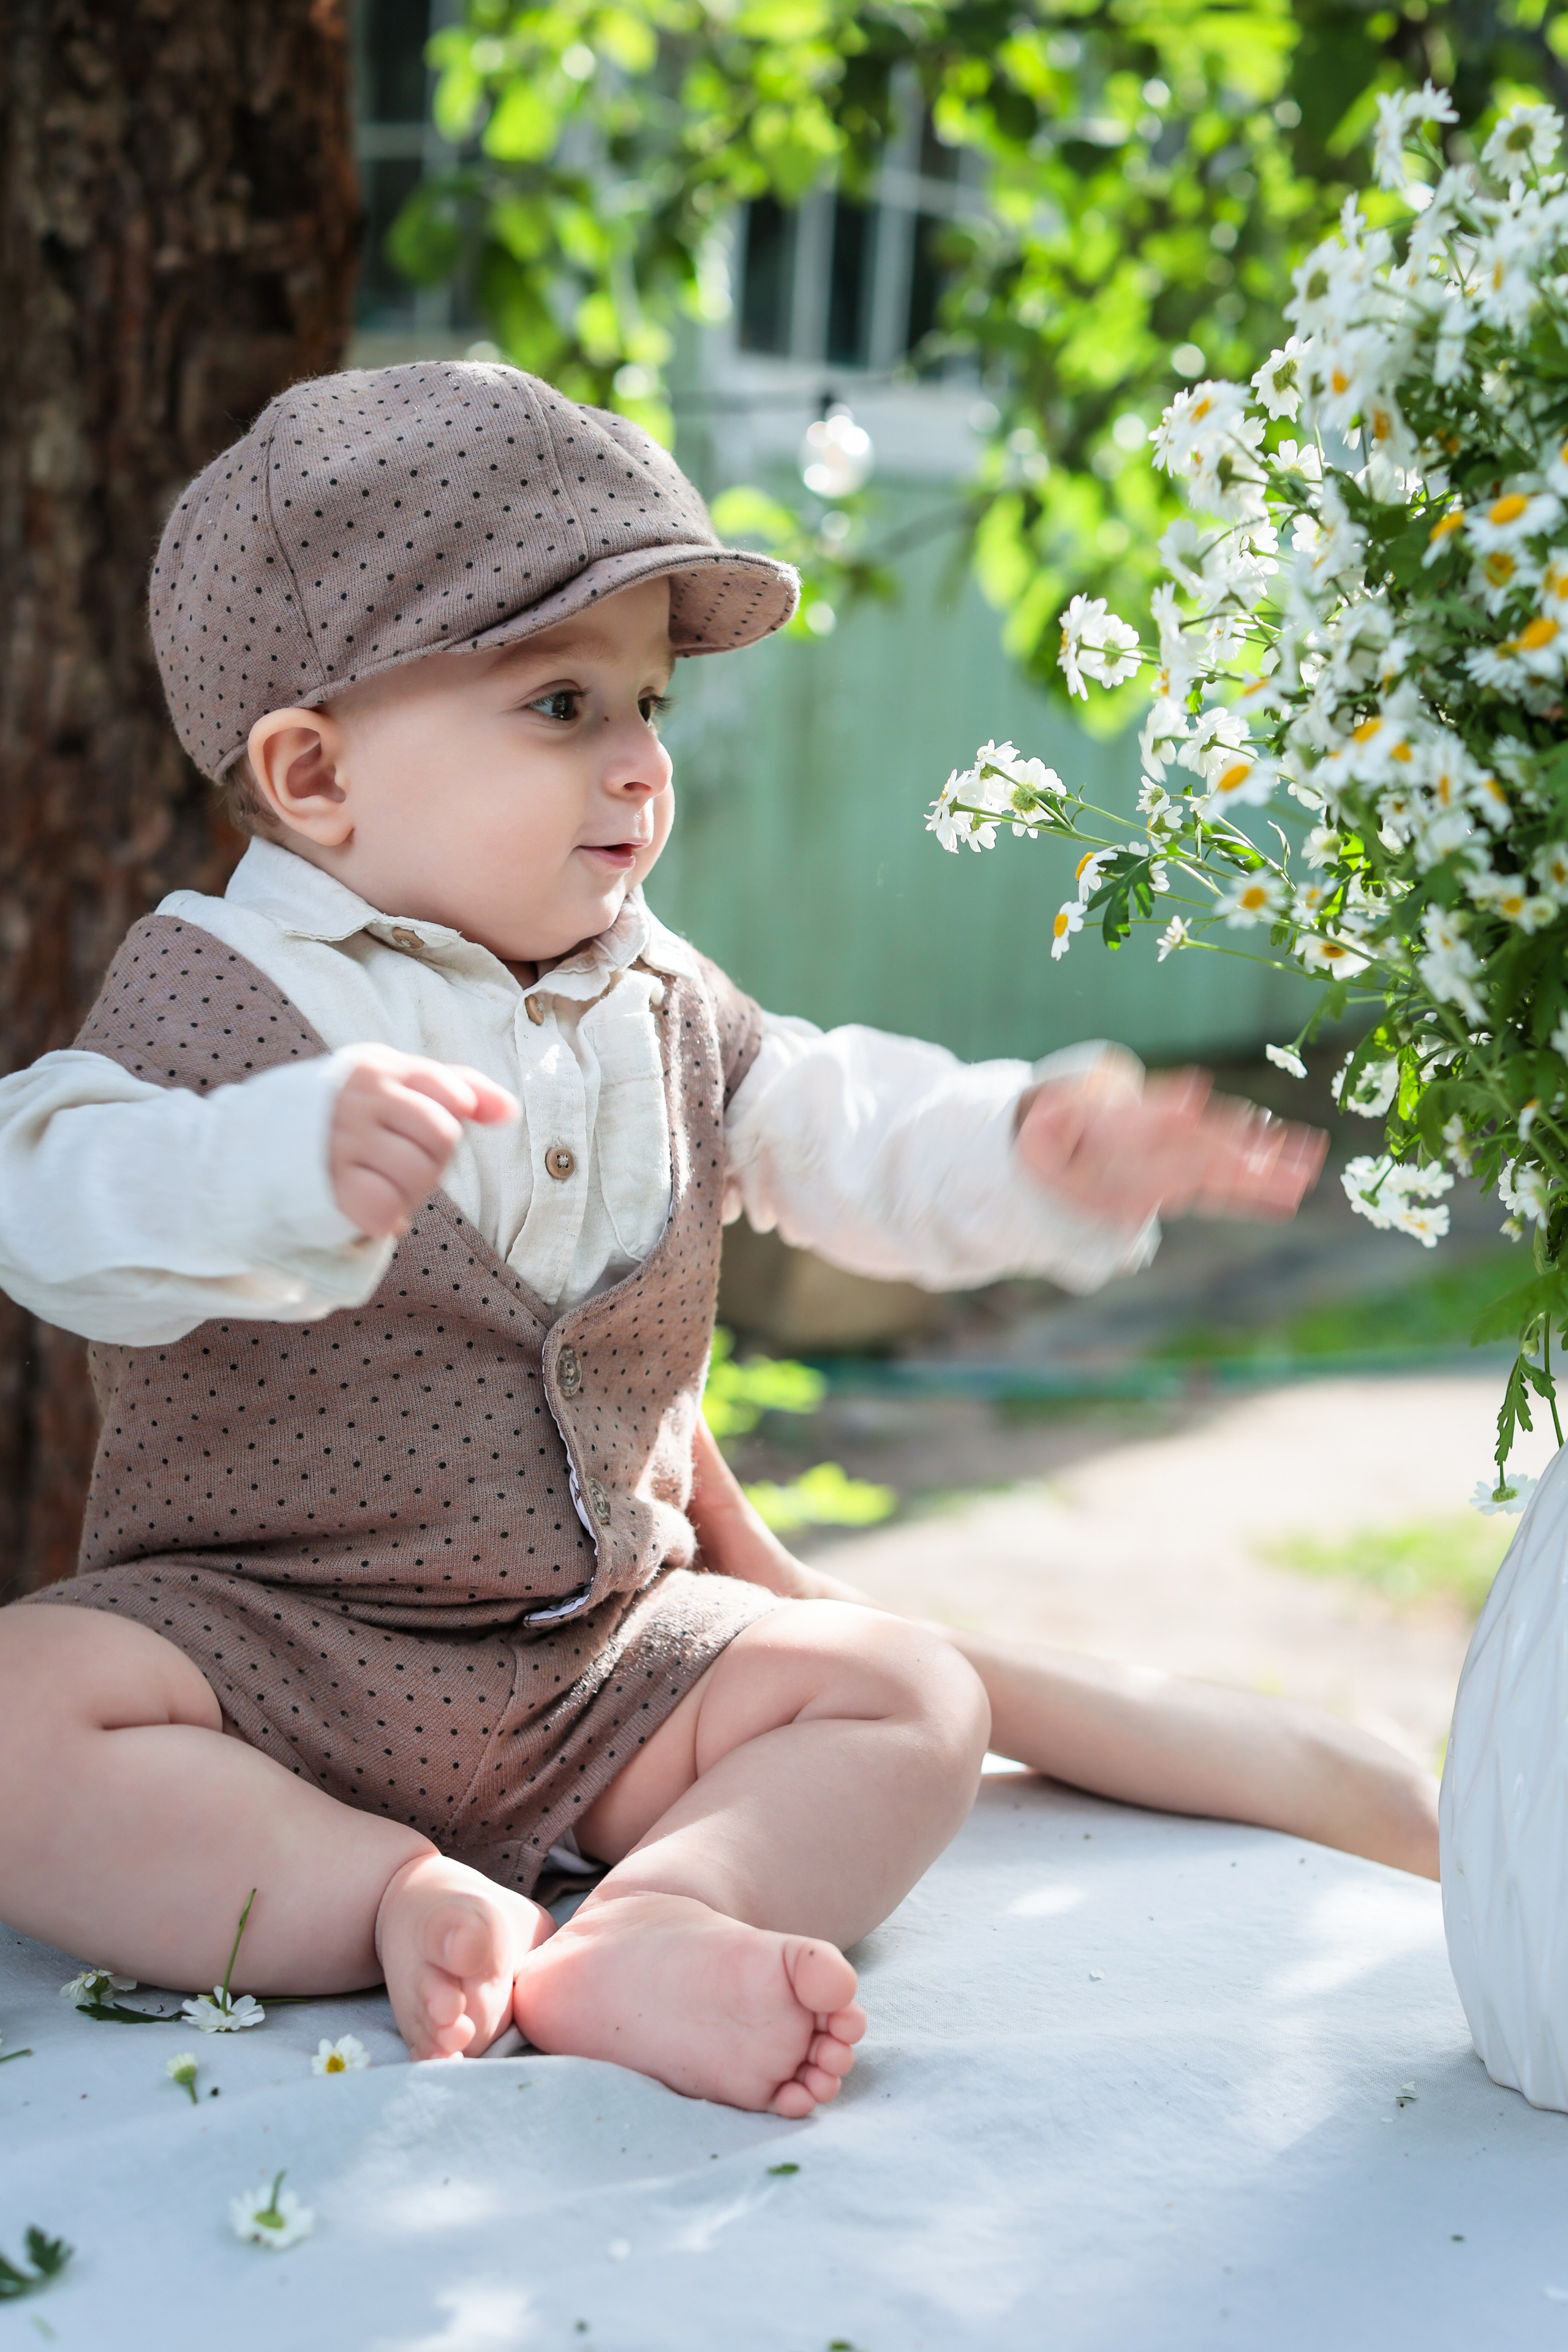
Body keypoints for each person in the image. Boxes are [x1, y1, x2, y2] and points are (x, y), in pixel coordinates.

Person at [0, 361, 1348, 2120]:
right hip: (268, 1655)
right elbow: (53, 1191)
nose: (638, 762)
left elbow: (846, 1125)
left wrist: (1034, 1145)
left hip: (603, 1664)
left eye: (650, 704)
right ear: (314, 775)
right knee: (25, 1704)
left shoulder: (662, 999)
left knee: (904, 1693)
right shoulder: (225, 997)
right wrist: (268, 1170)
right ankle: (387, 1895)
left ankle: (657, 1918)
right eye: (561, 703)